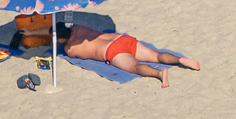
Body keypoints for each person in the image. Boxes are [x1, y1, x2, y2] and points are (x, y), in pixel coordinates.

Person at [64, 24, 200, 85]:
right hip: (121, 39)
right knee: (157, 56)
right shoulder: (78, 27)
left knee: (136, 67)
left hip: (112, 52)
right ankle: (180, 59)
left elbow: (74, 53)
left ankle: (159, 74)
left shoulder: (70, 49)